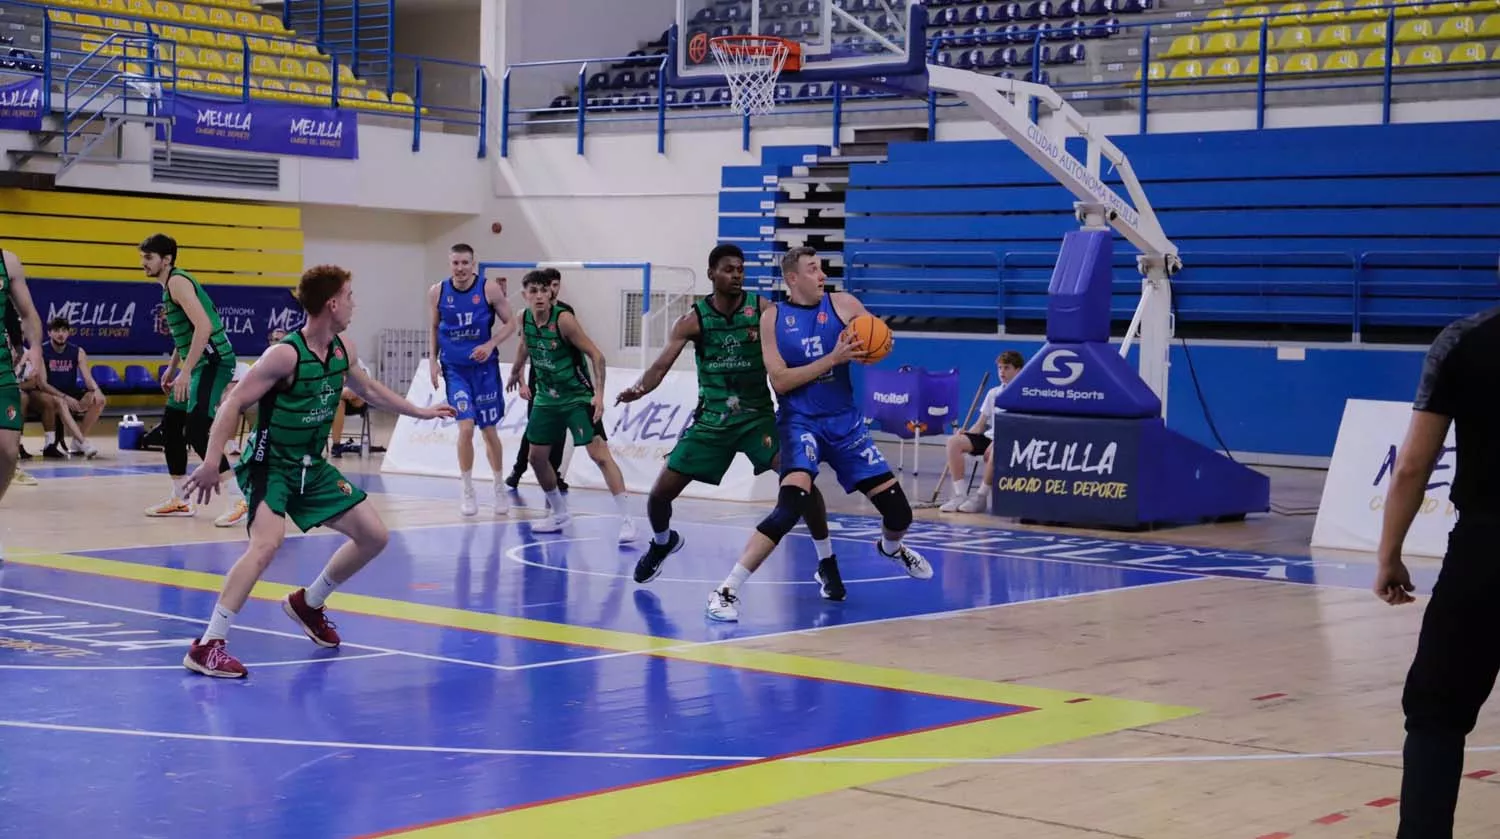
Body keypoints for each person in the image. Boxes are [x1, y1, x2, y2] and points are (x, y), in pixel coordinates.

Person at [179, 264, 455, 678]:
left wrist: (418, 411)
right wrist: (211, 460)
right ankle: (208, 644)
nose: (353, 304)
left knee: (374, 535)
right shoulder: (285, 354)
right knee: (266, 546)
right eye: (349, 296)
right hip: (271, 465)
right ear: (332, 303)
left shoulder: (344, 348)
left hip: (312, 466)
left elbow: (367, 389)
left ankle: (308, 602)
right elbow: (231, 403)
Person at [706, 247, 932, 622]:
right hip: (800, 422)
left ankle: (892, 549)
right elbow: (780, 380)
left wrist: (880, 343)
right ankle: (726, 590)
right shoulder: (773, 318)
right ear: (793, 278)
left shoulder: (843, 304)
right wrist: (833, 359)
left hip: (845, 424)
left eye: (822, 268)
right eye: (813, 269)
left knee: (899, 512)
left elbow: (875, 337)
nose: (822, 274)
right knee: (789, 505)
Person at [618, 244, 841, 596]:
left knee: (803, 481)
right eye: (728, 269)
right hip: (711, 421)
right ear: (711, 274)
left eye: (740, 269)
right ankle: (662, 542)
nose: (736, 274)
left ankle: (827, 562)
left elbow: (796, 341)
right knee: (659, 496)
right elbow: (661, 366)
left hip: (757, 419)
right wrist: (638, 389)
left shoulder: (763, 310)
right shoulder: (692, 320)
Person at [1374, 301, 1500, 838]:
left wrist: (1389, 554)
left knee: (1436, 716)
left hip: (1485, 554)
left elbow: (1412, 465)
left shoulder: (1464, 340)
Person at [505, 269, 633, 541]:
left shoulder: (564, 320)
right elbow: (525, 345)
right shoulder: (524, 318)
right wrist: (516, 372)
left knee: (598, 455)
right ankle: (560, 513)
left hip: (576, 397)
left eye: (544, 291)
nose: (539, 296)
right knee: (536, 458)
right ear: (525, 294)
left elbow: (597, 356)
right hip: (545, 399)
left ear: (550, 293)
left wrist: (598, 394)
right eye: (533, 291)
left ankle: (627, 520)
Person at [139, 233, 246, 527]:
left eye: (149, 257)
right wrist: (173, 368)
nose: (143, 263)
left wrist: (185, 371)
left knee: (197, 428)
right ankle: (181, 498)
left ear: (167, 259)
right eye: (142, 257)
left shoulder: (177, 282)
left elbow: (204, 326)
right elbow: (185, 334)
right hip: (196, 363)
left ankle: (239, 498)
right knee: (171, 426)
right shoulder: (169, 286)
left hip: (213, 362)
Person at [428, 243, 517, 516]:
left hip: (484, 369)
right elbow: (433, 326)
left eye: (465, 263)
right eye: (456, 263)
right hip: (455, 369)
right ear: (449, 263)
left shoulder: (489, 289)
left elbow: (512, 323)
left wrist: (490, 344)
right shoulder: (438, 291)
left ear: (473, 263)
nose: (460, 268)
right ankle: (467, 489)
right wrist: (432, 360)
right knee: (465, 428)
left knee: (488, 430)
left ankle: (498, 486)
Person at [504, 267, 569, 492]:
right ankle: (518, 470)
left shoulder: (565, 314)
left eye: (552, 286)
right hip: (539, 378)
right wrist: (519, 378)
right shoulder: (526, 315)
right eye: (538, 289)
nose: (545, 292)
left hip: (563, 383)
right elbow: (524, 346)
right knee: (535, 427)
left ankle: (554, 474)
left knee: (560, 430)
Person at [940, 349, 1024, 513]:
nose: (1002, 372)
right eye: (1000, 368)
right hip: (989, 437)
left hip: (1009, 440)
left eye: (1007, 368)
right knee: (953, 442)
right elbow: (980, 425)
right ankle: (960, 495)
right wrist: (967, 433)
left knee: (996, 449)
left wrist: (998, 442)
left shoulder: (1025, 393)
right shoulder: (993, 393)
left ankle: (981, 497)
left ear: (1018, 370)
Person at [0, 249, 43, 507]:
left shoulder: (8, 262)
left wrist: (35, 348)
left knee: (7, 450)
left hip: (2, 367)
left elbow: (28, 314)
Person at [37, 317, 103, 459]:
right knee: (60, 402)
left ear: (68, 333)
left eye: (64, 330)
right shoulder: (42, 351)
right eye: (56, 330)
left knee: (99, 400)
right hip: (51, 395)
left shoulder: (78, 351)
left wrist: (96, 391)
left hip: (70, 393)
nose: (60, 334)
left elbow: (87, 378)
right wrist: (65, 397)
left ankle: (77, 441)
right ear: (49, 333)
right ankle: (83, 442)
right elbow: (43, 384)